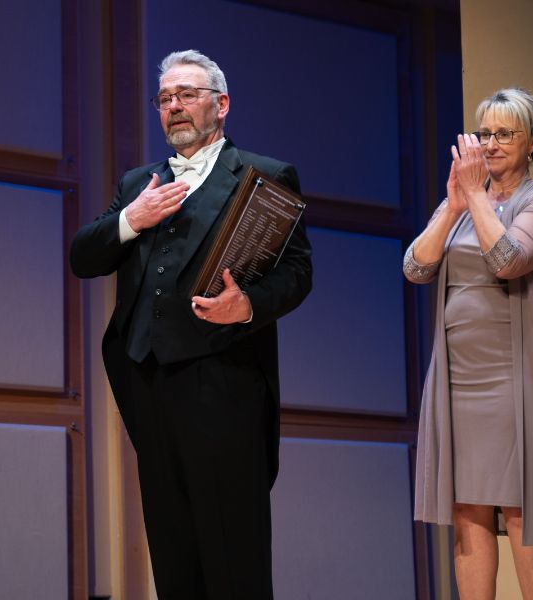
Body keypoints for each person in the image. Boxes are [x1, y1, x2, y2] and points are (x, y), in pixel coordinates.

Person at [70, 50, 312, 599]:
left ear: (221, 105)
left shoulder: (264, 175)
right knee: (172, 540)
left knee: (232, 545)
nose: (174, 107)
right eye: (165, 98)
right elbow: (83, 258)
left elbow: (297, 274)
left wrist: (246, 305)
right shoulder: (139, 181)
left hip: (223, 379)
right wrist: (133, 219)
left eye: (188, 95)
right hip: (148, 378)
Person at [406, 87, 533, 599]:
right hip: (460, 377)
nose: (492, 143)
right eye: (485, 133)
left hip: (512, 377)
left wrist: (476, 197)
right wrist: (454, 203)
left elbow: (507, 260)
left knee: (521, 509)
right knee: (467, 509)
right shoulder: (459, 202)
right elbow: (416, 268)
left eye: (505, 134)